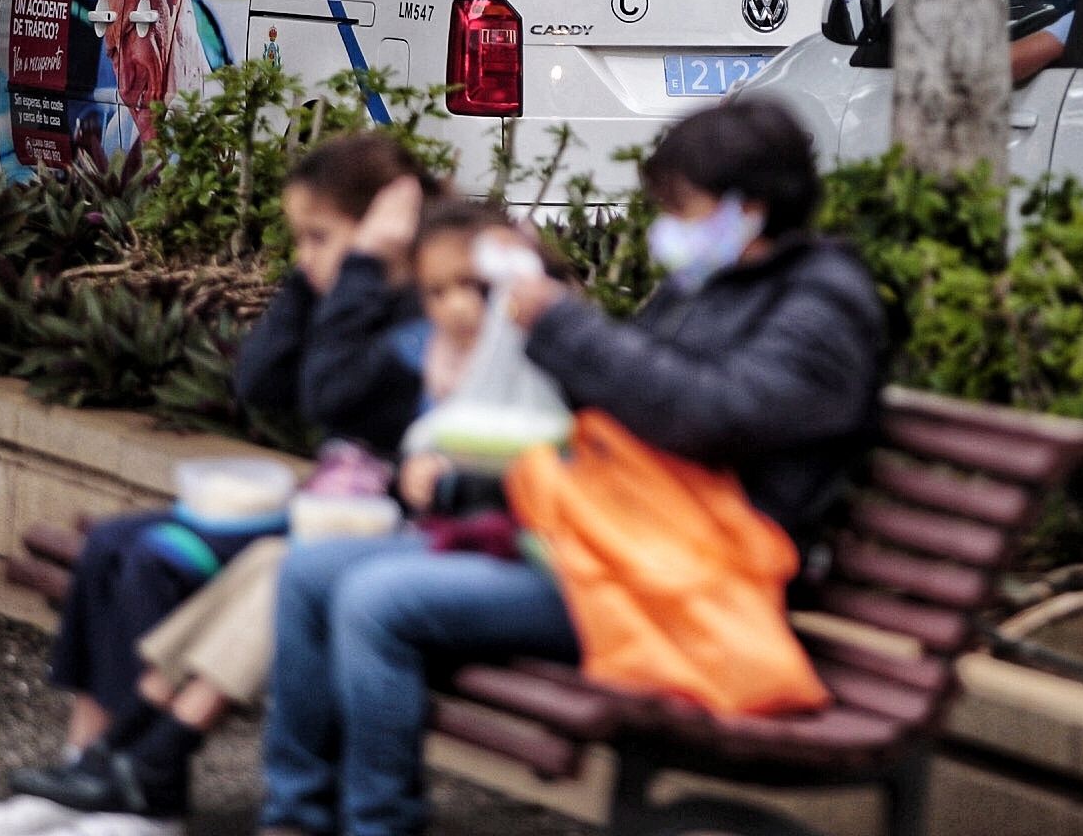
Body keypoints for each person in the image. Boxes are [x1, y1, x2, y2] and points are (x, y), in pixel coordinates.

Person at [258, 96, 886, 836]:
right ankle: (295, 817)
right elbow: (611, 425)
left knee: (376, 600)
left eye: (682, 207)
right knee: (309, 573)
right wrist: (474, 471)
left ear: (747, 207)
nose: (669, 227)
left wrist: (562, 324)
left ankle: (378, 824)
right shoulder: (711, 287)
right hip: (619, 539)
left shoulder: (823, 308)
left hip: (687, 576)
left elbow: (710, 415)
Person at [0, 133, 435, 836]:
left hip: (369, 532)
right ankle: (85, 766)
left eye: (317, 237)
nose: (305, 255)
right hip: (331, 512)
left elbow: (330, 396)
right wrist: (309, 280)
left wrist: (356, 270)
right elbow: (259, 383)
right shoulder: (348, 294)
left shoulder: (421, 308)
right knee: (111, 544)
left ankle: (149, 795)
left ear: (382, 233)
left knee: (160, 558)